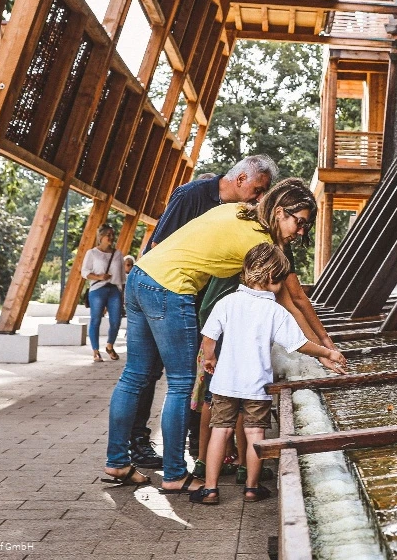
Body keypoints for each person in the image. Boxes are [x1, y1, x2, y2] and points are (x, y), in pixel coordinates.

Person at [102, 178, 341, 493]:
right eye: (300, 223)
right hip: (170, 288)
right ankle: (174, 475)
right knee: (181, 384)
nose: (301, 232)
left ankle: (117, 460)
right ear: (281, 212)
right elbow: (290, 301)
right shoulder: (261, 247)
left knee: (134, 376)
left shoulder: (239, 211)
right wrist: (326, 348)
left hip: (140, 278)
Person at [126, 155, 282, 469]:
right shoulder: (191, 196)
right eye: (259, 189)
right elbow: (159, 247)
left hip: (193, 299)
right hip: (171, 293)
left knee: (195, 380)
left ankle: (196, 450)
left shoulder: (241, 213)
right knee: (160, 375)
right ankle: (145, 448)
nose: (261, 197)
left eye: (267, 192)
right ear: (240, 179)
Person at [193, 244, 345, 505]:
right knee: (255, 434)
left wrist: (210, 358)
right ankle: (252, 488)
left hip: (225, 383)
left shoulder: (227, 302)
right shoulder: (275, 311)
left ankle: (210, 488)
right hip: (257, 386)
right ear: (273, 277)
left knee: (220, 431)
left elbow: (209, 337)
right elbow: (298, 344)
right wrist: (328, 353)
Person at [82, 223, 125, 363]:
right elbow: (85, 272)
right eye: (108, 235)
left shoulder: (118, 254)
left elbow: (122, 276)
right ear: (101, 237)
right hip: (97, 289)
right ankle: (95, 351)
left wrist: (122, 292)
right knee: (96, 319)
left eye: (113, 235)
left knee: (116, 320)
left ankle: (109, 346)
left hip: (114, 290)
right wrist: (99, 277)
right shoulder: (92, 253)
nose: (111, 238)